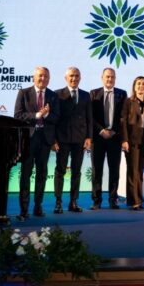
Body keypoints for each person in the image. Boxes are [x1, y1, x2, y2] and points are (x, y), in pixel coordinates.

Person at [14, 67, 59, 220]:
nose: (43, 79)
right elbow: (18, 115)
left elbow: (57, 118)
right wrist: (37, 115)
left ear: (49, 79)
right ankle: (24, 209)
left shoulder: (53, 96)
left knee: (42, 174)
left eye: (46, 76)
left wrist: (46, 116)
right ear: (34, 77)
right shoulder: (24, 93)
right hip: (28, 139)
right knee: (25, 174)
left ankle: (38, 206)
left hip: (45, 140)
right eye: (40, 76)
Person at [53, 67, 92, 213]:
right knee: (60, 171)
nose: (74, 78)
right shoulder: (57, 94)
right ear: (66, 78)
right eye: (71, 76)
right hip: (62, 139)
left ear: (80, 78)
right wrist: (54, 140)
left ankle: (73, 202)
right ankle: (58, 202)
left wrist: (89, 138)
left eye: (76, 76)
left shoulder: (86, 95)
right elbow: (54, 119)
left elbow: (89, 118)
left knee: (76, 172)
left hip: (79, 140)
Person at [89, 68, 127, 210]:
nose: (110, 79)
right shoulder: (93, 93)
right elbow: (91, 116)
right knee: (96, 170)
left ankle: (113, 200)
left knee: (114, 170)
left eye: (112, 77)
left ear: (115, 78)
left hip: (114, 138)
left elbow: (123, 117)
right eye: (107, 77)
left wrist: (113, 131)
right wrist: (101, 130)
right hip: (98, 138)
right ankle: (96, 201)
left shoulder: (122, 94)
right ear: (102, 78)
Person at [121, 76, 144, 210]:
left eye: (143, 84)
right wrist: (124, 140)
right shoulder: (128, 102)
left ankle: (137, 199)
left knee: (139, 171)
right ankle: (135, 200)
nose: (141, 86)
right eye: (138, 84)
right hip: (132, 141)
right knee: (133, 171)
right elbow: (123, 121)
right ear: (134, 87)